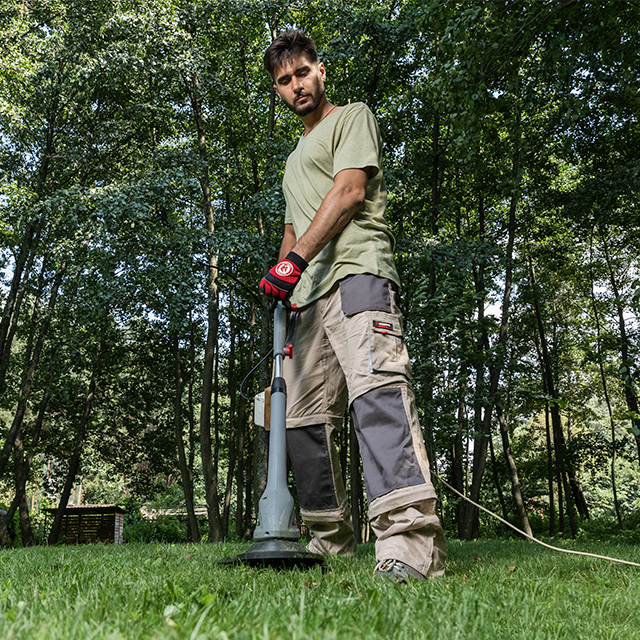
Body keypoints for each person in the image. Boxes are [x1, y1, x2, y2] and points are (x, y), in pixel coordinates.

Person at [259, 30, 446, 581]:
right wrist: (283, 283)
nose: (295, 86)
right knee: (299, 421)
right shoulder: (293, 159)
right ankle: (327, 541)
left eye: (301, 73)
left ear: (321, 71)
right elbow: (293, 230)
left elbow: (348, 193)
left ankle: (410, 544)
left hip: (358, 275)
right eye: (283, 81)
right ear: (278, 91)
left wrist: (296, 260)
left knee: (378, 397)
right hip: (308, 297)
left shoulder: (352, 117)